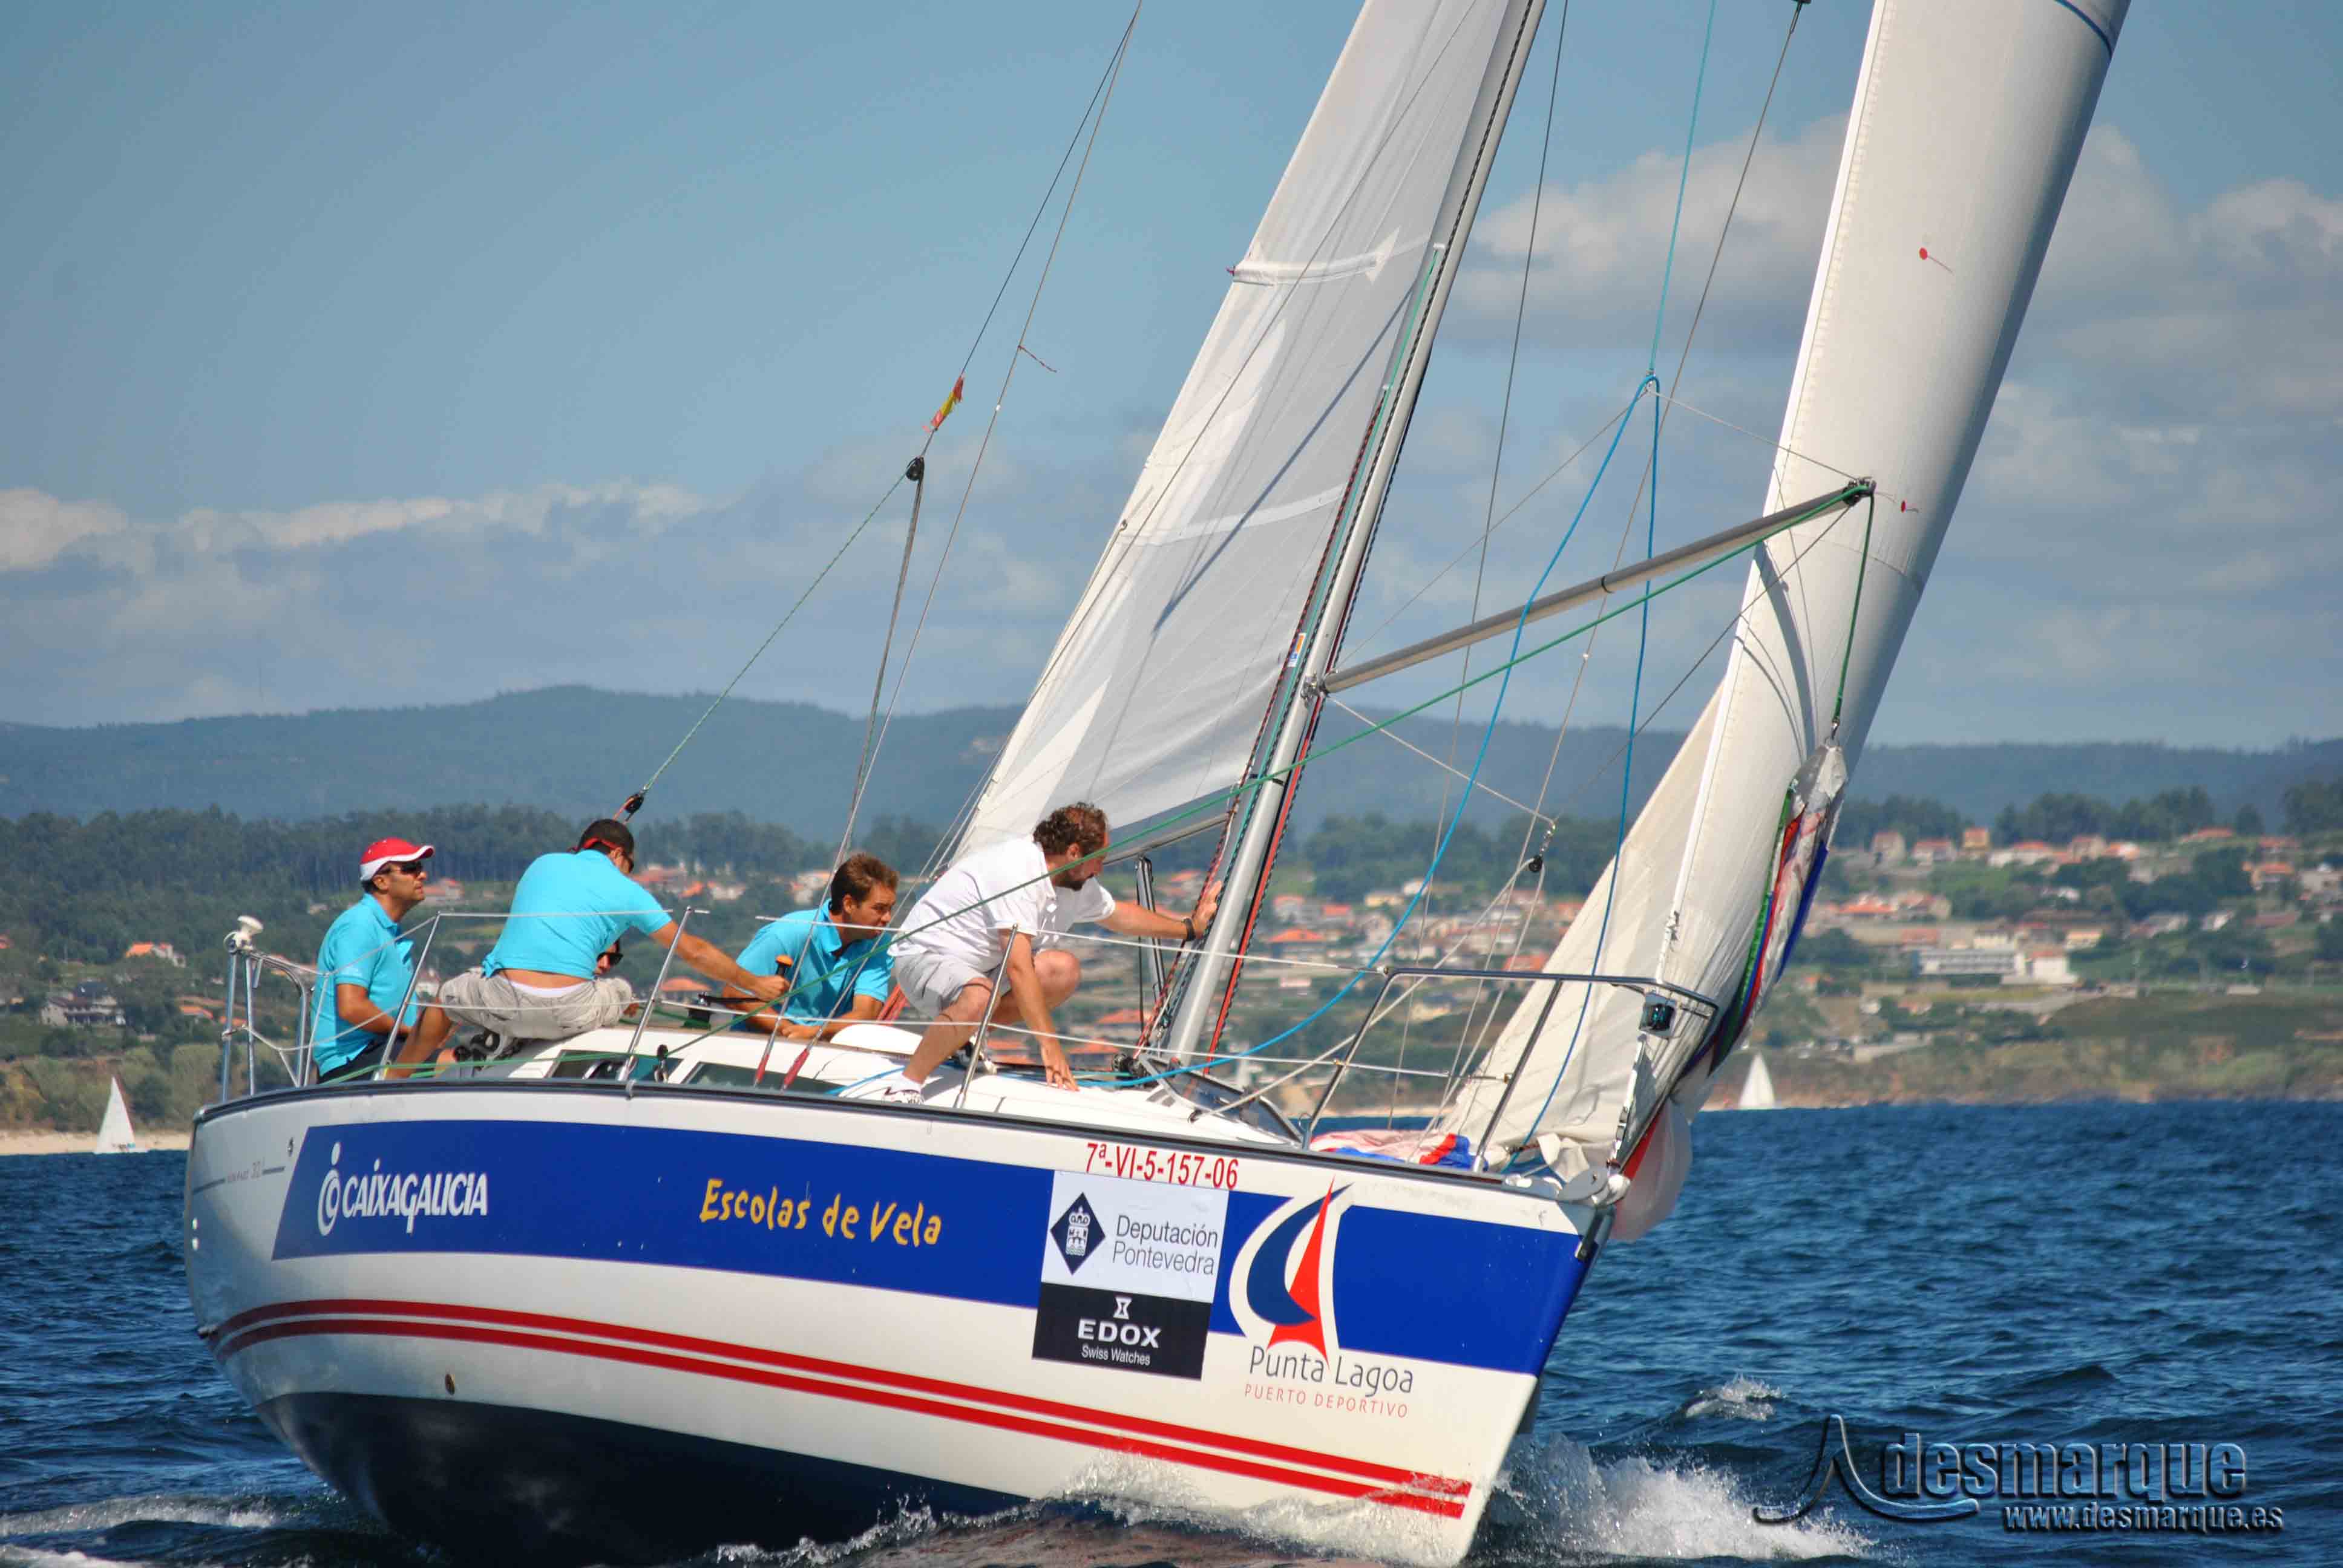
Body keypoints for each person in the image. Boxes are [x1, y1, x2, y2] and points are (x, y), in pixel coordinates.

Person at [393, 818, 788, 1074]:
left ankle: (395, 1077)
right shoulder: (627, 891)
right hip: (571, 1010)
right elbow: (694, 952)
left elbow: (573, 868)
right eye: (630, 864)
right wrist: (756, 984)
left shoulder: (542, 864)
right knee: (621, 989)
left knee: (445, 999)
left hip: (505, 1001)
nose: (629, 872)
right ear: (618, 854)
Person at [892, 802, 1217, 1093]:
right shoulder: (1018, 870)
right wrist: (1050, 1046)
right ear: (1074, 853)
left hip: (980, 971)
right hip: (925, 959)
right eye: (1099, 860)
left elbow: (1119, 915)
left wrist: (1188, 929)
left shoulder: (1076, 884)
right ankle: (907, 1085)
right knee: (979, 995)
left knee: (1063, 971)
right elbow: (1018, 968)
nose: (1101, 869)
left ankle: (961, 1035)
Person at [725, 852, 899, 1042]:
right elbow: (734, 993)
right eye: (879, 909)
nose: (887, 918)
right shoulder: (789, 933)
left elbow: (866, 1013)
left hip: (823, 1051)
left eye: (890, 909)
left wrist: (814, 1033)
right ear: (849, 904)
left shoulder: (880, 944)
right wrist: (789, 1032)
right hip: (758, 1046)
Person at [309, 836, 435, 1082]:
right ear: (381, 881)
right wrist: (410, 1034)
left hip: (385, 1048)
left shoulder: (389, 930)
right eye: (411, 868)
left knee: (467, 1058)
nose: (422, 875)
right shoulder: (359, 926)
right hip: (351, 1061)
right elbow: (351, 1006)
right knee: (459, 1065)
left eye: (420, 867)